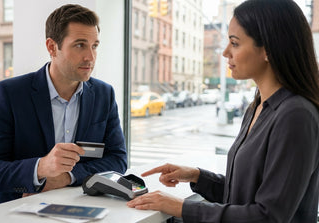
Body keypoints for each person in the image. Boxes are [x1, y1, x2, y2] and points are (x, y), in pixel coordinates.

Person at [127, 0, 319, 222]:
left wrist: (181, 208)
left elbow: (268, 216)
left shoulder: (296, 116)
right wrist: (196, 176)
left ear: (268, 49)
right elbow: (244, 193)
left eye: (235, 43)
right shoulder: (257, 106)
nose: (225, 52)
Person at [0, 4, 127, 207]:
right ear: (52, 47)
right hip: (13, 211)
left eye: (95, 46)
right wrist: (40, 168)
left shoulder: (103, 94)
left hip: (78, 208)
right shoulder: (10, 94)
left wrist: (67, 177)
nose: (90, 57)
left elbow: (117, 159)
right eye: (80, 45)